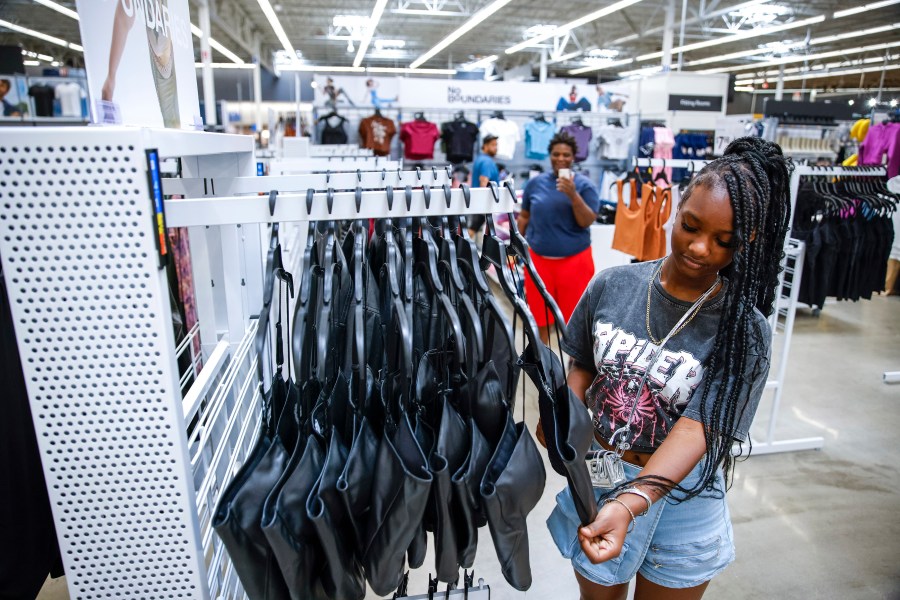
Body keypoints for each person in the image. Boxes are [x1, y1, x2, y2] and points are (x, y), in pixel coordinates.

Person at [548, 137, 791, 600]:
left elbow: (699, 427)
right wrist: (568, 410)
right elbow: (582, 361)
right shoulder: (614, 284)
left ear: (750, 241)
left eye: (725, 241)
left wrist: (633, 500)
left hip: (684, 497)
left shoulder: (745, 330)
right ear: (676, 207)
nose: (700, 248)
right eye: (690, 226)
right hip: (600, 475)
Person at [516, 131, 600, 342]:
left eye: (566, 154)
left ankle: (574, 366)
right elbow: (524, 216)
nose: (561, 158)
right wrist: (516, 247)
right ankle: (544, 364)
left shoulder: (584, 186)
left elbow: (587, 221)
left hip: (574, 262)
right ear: (550, 155)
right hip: (538, 262)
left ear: (573, 157)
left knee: (575, 320)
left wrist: (573, 195)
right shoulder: (535, 184)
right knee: (539, 317)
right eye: (556, 154)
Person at [468, 134, 500, 236]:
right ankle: (459, 250)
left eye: (496, 145)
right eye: (492, 145)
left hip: (479, 201)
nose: (495, 148)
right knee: (473, 229)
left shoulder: (480, 158)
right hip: (484, 203)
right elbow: (484, 180)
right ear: (485, 146)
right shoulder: (487, 162)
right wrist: (483, 204)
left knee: (475, 229)